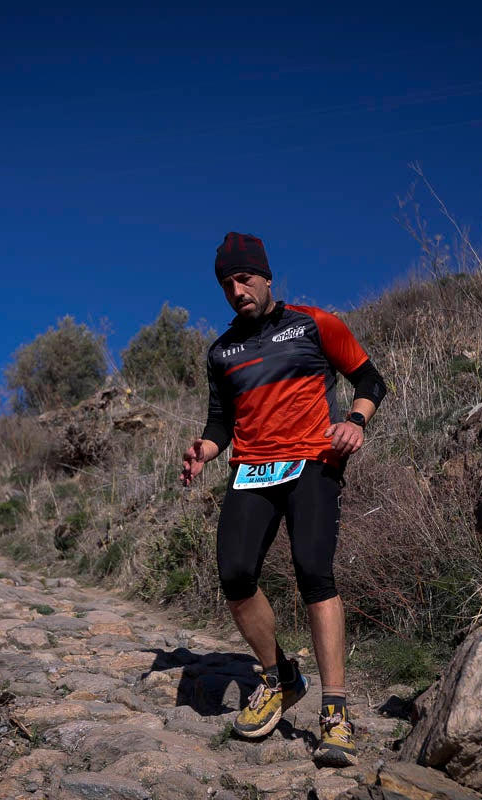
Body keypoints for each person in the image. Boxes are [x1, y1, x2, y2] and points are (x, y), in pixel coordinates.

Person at [180, 232, 387, 768]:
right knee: (234, 575)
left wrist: (356, 422)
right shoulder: (221, 351)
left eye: (244, 278)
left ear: (267, 277)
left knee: (313, 572)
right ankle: (281, 677)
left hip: (312, 461)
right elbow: (222, 419)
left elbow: (368, 378)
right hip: (252, 469)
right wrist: (205, 447)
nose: (236, 290)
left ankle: (335, 712)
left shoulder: (315, 324)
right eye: (227, 283)